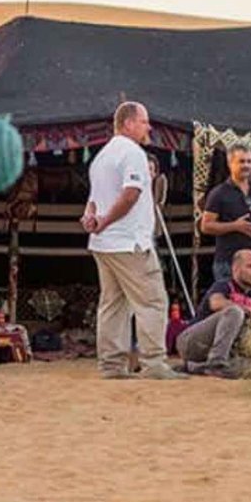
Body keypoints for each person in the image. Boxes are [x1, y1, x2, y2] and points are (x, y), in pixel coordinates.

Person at [81, 102, 184, 380]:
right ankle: (154, 364)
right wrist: (104, 221)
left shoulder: (101, 156)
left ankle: (111, 365)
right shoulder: (134, 154)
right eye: (143, 121)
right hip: (129, 242)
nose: (148, 127)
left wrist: (91, 219)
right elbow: (130, 194)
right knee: (152, 301)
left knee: (113, 304)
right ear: (128, 123)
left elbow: (93, 198)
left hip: (103, 244)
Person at [200, 143, 251, 297]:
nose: (246, 165)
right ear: (230, 163)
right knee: (233, 309)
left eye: (249, 161)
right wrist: (235, 226)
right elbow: (205, 226)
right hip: (228, 261)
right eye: (241, 161)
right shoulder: (218, 193)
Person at [176, 249, 251, 378]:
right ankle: (216, 363)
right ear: (236, 269)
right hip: (191, 341)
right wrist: (246, 309)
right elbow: (215, 303)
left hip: (213, 351)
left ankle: (196, 368)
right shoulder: (224, 285)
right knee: (235, 311)